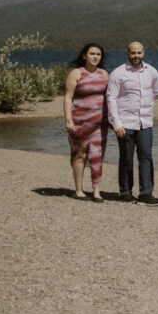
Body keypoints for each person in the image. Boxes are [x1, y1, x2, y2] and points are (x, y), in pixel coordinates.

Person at [106, 41, 158, 204]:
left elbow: (157, 91)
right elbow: (111, 98)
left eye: (139, 53)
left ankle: (146, 192)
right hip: (125, 123)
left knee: (146, 157)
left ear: (143, 52)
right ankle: (125, 191)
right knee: (126, 158)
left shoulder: (151, 71)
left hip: (145, 122)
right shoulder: (118, 73)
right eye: (133, 53)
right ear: (127, 53)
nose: (136, 56)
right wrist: (116, 123)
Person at [64, 43, 109, 202]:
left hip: (100, 123)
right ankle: (78, 190)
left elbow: (110, 98)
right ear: (84, 55)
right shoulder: (76, 73)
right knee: (79, 155)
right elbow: (68, 98)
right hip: (79, 122)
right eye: (92, 53)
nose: (95, 57)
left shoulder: (104, 74)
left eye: (98, 54)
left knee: (97, 156)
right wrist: (68, 119)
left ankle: (96, 191)